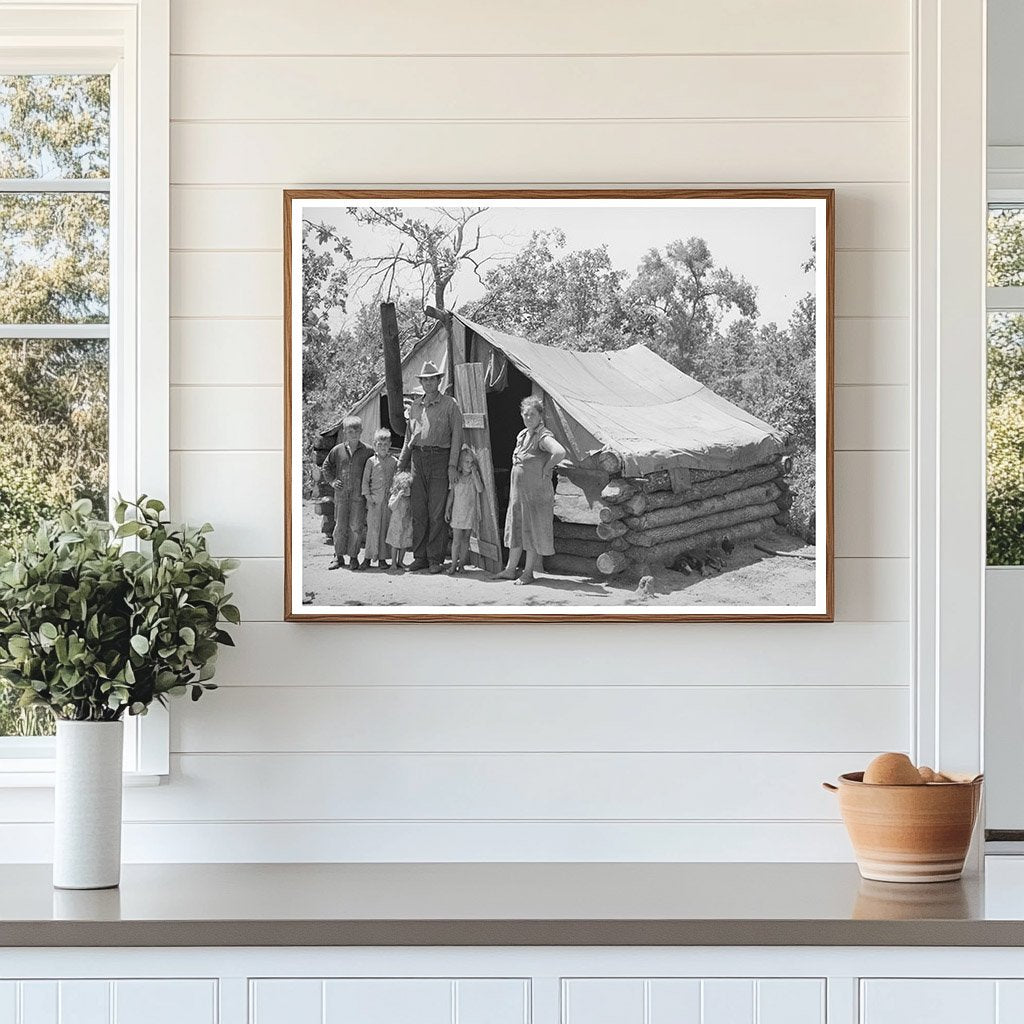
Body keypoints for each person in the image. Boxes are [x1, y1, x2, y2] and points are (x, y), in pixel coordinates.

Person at [397, 360, 464, 574]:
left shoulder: (450, 404)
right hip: (418, 459)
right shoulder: (415, 406)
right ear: (421, 383)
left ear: (438, 381)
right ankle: (420, 557)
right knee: (419, 510)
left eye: (432, 379)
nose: (428, 383)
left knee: (436, 511)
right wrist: (401, 464)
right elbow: (408, 437)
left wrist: (452, 465)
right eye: (425, 380)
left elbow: (458, 436)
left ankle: (435, 559)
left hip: (440, 458)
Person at [497, 395, 567, 586]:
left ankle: (528, 573)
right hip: (519, 493)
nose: (528, 417)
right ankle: (510, 569)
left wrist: (547, 468)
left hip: (535, 494)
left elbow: (560, 452)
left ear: (540, 416)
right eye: (525, 414)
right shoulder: (522, 435)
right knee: (517, 528)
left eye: (532, 414)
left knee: (531, 530)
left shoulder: (543, 436)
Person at [321, 416, 372, 571]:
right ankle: (338, 556)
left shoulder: (368, 451)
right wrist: (332, 481)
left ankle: (353, 557)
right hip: (341, 495)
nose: (353, 434)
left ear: (361, 431)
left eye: (356, 431)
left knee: (356, 526)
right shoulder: (337, 450)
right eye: (350, 431)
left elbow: (374, 470)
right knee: (340, 526)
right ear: (344, 432)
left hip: (358, 496)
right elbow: (326, 466)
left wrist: (370, 491)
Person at [360, 428, 397, 568]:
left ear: (390, 445)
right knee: (372, 530)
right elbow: (365, 481)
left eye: (385, 444)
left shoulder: (394, 461)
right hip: (374, 502)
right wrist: (368, 497)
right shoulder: (371, 461)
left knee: (384, 529)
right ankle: (368, 558)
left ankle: (382, 558)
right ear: (375, 445)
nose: (383, 447)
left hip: (387, 502)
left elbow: (397, 480)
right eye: (379, 444)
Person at [445, 444, 484, 575]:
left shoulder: (474, 478)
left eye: (471, 462)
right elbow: (451, 495)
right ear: (460, 464)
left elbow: (480, 489)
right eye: (466, 462)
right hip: (457, 512)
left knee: (466, 540)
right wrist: (447, 509)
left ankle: (462, 564)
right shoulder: (456, 478)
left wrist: (475, 474)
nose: (469, 465)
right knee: (456, 540)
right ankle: (453, 564)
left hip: (469, 513)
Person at [386, 471, 413, 572]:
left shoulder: (410, 499)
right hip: (396, 524)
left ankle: (400, 561)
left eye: (408, 488)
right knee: (395, 544)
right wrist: (398, 497)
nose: (407, 490)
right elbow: (391, 506)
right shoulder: (395, 495)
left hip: (406, 523)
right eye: (404, 488)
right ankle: (393, 563)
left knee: (404, 543)